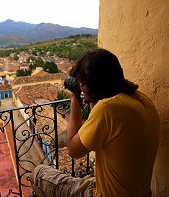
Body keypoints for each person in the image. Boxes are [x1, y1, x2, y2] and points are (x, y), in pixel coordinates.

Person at [30, 48, 160, 197]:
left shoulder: (108, 109)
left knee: (38, 173)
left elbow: (73, 150)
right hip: (140, 193)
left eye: (82, 83)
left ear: (92, 83)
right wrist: (90, 97)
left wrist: (74, 100)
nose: (80, 86)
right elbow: (100, 128)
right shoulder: (141, 99)